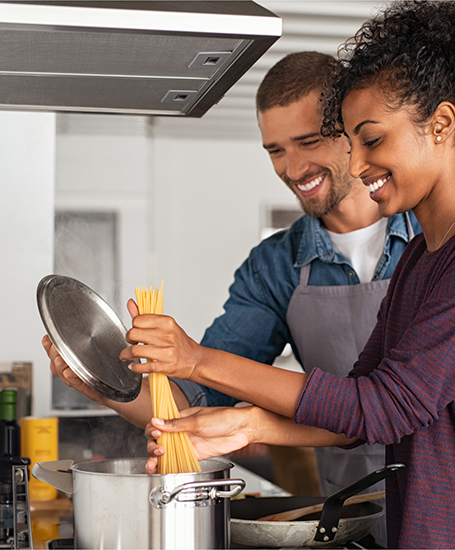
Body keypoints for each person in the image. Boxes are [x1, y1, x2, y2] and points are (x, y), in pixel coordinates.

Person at [133, 1, 455, 547]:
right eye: (352, 144)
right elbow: (358, 406)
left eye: (372, 140)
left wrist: (197, 359)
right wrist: (247, 426)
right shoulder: (423, 256)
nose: (356, 166)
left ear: (442, 125)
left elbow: (387, 409)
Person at [43, 51, 420, 544]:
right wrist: (104, 385)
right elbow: (193, 405)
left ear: (352, 129)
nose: (293, 167)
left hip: (445, 498)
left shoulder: (435, 243)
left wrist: (200, 364)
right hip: (349, 511)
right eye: (275, 150)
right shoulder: (274, 266)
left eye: (308, 141)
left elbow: (390, 404)